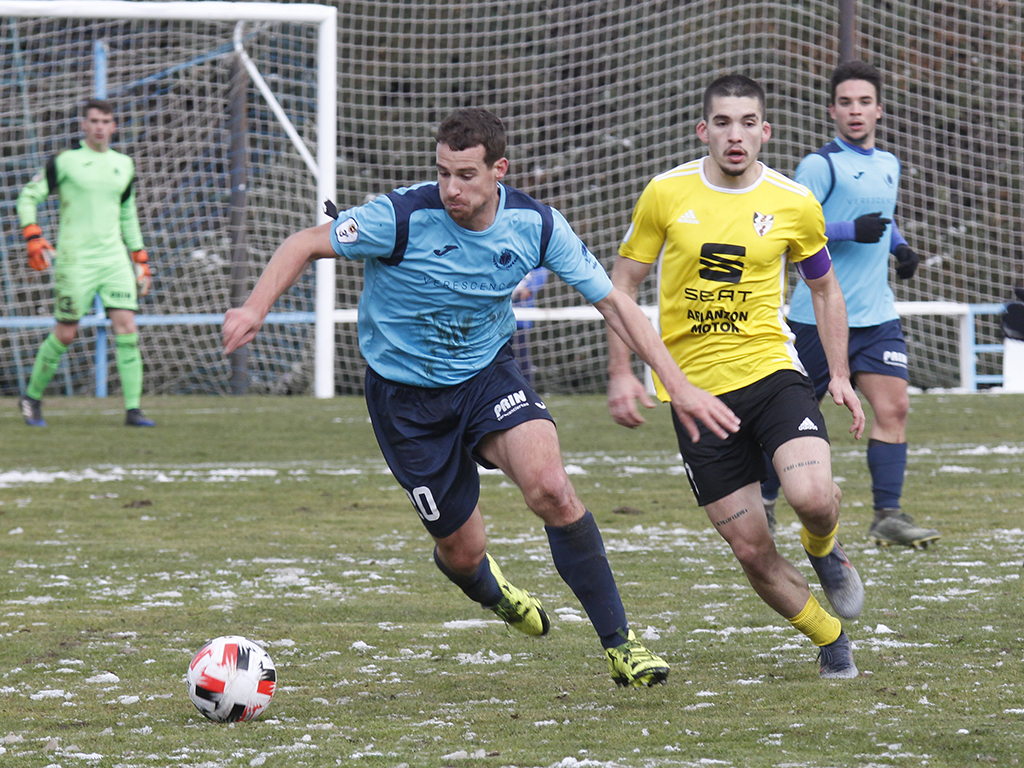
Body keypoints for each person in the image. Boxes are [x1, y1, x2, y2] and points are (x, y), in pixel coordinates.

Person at [223, 107, 740, 687]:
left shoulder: (537, 225)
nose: (451, 189)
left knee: (552, 489)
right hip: (406, 403)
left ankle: (621, 645)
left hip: (487, 376)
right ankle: (490, 589)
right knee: (463, 552)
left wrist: (678, 382)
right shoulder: (397, 217)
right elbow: (305, 243)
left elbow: (616, 303)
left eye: (465, 175)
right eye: (443, 172)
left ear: (500, 170)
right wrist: (253, 308)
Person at [607, 75, 866, 679]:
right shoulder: (666, 193)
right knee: (750, 547)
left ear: (764, 131)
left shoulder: (792, 201)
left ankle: (824, 549)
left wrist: (842, 377)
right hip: (693, 395)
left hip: (771, 372)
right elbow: (620, 287)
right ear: (704, 130)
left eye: (747, 122)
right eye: (722, 122)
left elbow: (824, 288)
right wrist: (623, 372)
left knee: (811, 499)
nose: (735, 134)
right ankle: (830, 638)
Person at [760, 61, 939, 549]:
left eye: (864, 102)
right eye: (845, 102)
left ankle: (888, 516)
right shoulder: (820, 166)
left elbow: (883, 219)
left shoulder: (889, 164)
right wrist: (846, 232)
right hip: (816, 318)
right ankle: (766, 503)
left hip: (877, 316)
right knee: (790, 418)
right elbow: (789, 227)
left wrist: (899, 248)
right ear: (832, 110)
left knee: (895, 407)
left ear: (879, 109)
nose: (855, 110)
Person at [16, 98, 155, 428]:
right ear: (84, 124)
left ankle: (133, 410)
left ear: (114, 126)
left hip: (113, 260)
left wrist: (140, 256)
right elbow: (27, 197)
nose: (99, 127)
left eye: (106, 121)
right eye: (93, 120)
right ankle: (32, 397)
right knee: (66, 332)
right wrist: (33, 236)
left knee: (127, 326)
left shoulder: (124, 164)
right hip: (75, 261)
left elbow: (127, 213)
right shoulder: (65, 162)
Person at [510, 266, 549, 385]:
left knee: (521, 355)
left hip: (520, 318)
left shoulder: (532, 259)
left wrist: (529, 289)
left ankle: (526, 387)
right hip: (498, 317)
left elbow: (542, 271)